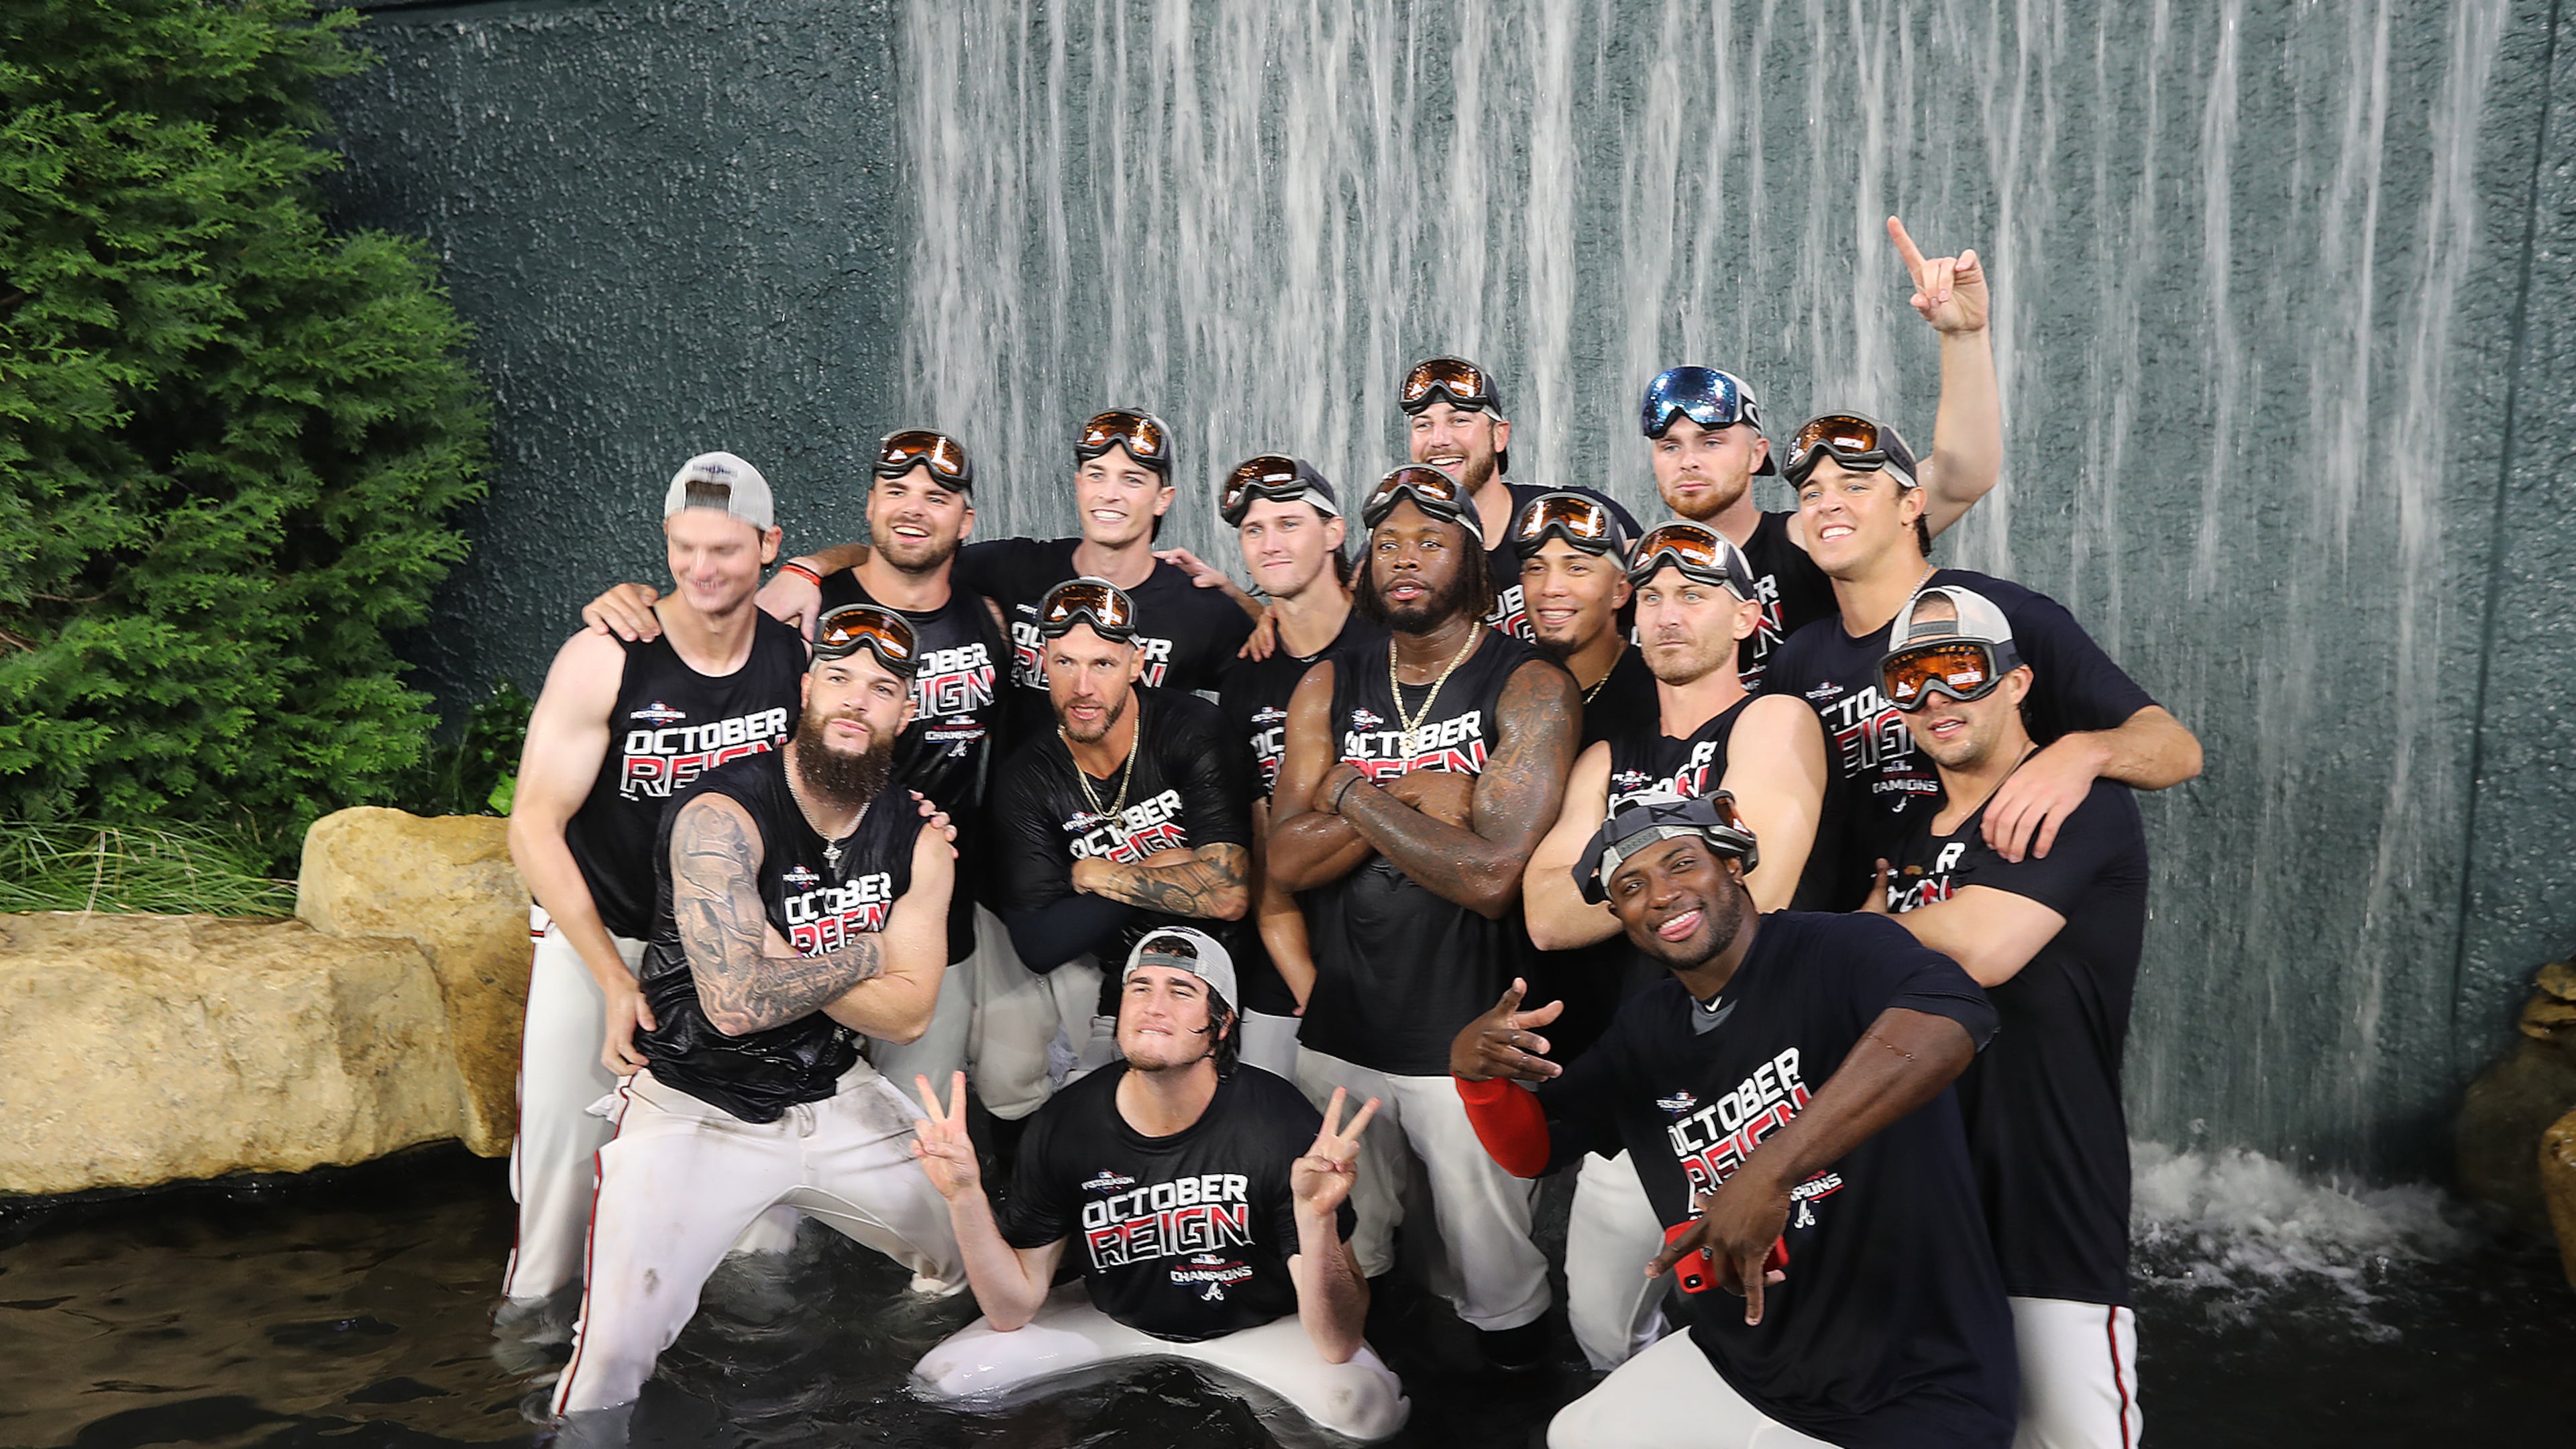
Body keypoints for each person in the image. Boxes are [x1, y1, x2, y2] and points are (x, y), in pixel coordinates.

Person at [1452, 793, 2017, 1448]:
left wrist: (1769, 1171)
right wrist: (1476, 1077)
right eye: (1631, 886)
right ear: (1620, 917)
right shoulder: (1646, 1028)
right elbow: (1536, 1150)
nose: (1661, 894)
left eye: (1681, 864)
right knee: (1576, 1434)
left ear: (1733, 866)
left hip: (1913, 1380)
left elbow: (1952, 1016)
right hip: (1741, 1362)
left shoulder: (1837, 947)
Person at [551, 604, 965, 1417]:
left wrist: (783, 955)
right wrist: (869, 951)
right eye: (839, 680)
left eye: (881, 689)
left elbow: (911, 1014)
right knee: (607, 1366)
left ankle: (912, 1387)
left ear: (905, 711)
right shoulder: (721, 818)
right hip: (694, 1106)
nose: (856, 701)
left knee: (966, 1257)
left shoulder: (917, 835)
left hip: (832, 1093)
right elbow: (735, 1007)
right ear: (806, 690)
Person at [1268, 465, 1577, 1370]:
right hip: (1342, 1031)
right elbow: (1284, 860)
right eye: (1390, 544)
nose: (1406, 560)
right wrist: (1409, 799)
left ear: (1476, 567)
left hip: (1467, 1041)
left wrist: (1349, 796)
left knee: (1498, 1277)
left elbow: (1491, 876)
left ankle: (1513, 1410)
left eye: (1432, 543)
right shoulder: (1330, 679)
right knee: (1356, 1250)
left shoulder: (1527, 685)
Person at [499, 451, 806, 1320]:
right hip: (609, 932)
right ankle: (526, 1343)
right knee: (563, 1174)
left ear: (771, 546)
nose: (703, 570)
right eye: (684, 548)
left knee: (756, 1187)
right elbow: (532, 826)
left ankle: (751, 1353)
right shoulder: (608, 658)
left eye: (726, 550)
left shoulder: (797, 657)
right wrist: (611, 977)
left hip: (727, 952)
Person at [1520, 521, 1829, 1371]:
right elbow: (1545, 911)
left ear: (1744, 618)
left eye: (1693, 596)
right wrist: (1684, 887)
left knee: (1787, 1336)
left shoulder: (1774, 719)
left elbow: (1752, 892)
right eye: (1651, 597)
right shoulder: (1608, 754)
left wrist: (1619, 883)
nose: (1667, 615)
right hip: (1647, 1086)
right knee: (1601, 1330)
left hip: (1765, 1094)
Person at [907, 928, 1408, 1442]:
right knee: (943, 1383)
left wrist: (1316, 1219)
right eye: (1140, 987)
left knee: (1364, 1413)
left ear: (1221, 1025)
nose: (1153, 1005)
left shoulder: (1279, 1125)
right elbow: (1011, 1310)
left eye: (1182, 991)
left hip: (1260, 1330)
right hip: (1113, 1322)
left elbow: (1337, 1342)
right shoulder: (1065, 1122)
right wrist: (965, 1195)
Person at [1858, 586, 2151, 1449]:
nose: (1934, 698)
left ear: (2018, 682)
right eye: (1909, 679)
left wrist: (1860, 938)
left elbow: (1981, 947)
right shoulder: (1910, 830)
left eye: (1959, 670)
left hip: (2045, 1192)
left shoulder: (2079, 804)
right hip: (1925, 1196)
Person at [1764, 411, 2201, 906]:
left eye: (1856, 486)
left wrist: (2081, 754)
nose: (1829, 505)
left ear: (1911, 505)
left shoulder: (2002, 616)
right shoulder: (1798, 659)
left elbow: (2177, 750)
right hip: (1849, 937)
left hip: (1992, 913)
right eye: (1811, 494)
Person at [1641, 217, 2000, 686]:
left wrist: (1963, 336)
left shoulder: (1814, 537)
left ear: (1757, 454)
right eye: (1670, 446)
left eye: (1711, 442)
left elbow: (1961, 479)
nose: (1688, 461)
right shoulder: (1641, 573)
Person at [794, 431, 1011, 1099]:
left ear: (966, 520)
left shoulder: (990, 620)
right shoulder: (811, 614)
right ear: (869, 505)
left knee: (921, 1129)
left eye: (937, 497)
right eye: (896, 492)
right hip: (818, 911)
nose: (913, 510)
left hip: (936, 920)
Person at [987, 576, 1256, 1101]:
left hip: (1229, 971)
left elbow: (1228, 895)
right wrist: (1167, 867)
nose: (1082, 686)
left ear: (1136, 664)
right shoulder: (1028, 776)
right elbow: (1038, 943)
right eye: (1065, 662)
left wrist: (1101, 876)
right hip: (1119, 985)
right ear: (1044, 661)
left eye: (1103, 664)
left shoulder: (1190, 728)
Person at [1212, 456, 1385, 1071]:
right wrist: (1308, 986)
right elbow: (1260, 851)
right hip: (1286, 972)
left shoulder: (1394, 650)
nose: (1269, 544)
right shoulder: (1242, 681)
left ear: (1335, 533)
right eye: (1254, 530)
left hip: (1396, 957)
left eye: (1288, 524)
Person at [1398, 355, 1642, 639]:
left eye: (1459, 420)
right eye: (1423, 425)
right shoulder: (1399, 555)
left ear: (1500, 436)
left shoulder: (1580, 514)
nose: (1439, 439)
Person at [1508, 490, 1653, 738]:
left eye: (1576, 568)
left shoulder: (1658, 694)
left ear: (1620, 590)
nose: (1551, 588)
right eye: (1537, 568)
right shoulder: (1500, 685)